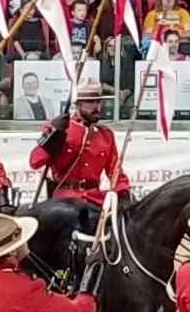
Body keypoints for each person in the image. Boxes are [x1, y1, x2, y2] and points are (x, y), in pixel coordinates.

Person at [30, 65, 127, 208]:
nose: (97, 107)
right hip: (63, 201)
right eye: (90, 102)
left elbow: (115, 171)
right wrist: (53, 134)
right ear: (78, 104)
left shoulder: (106, 135)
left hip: (94, 200)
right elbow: (35, 161)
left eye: (98, 102)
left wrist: (123, 191)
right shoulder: (60, 129)